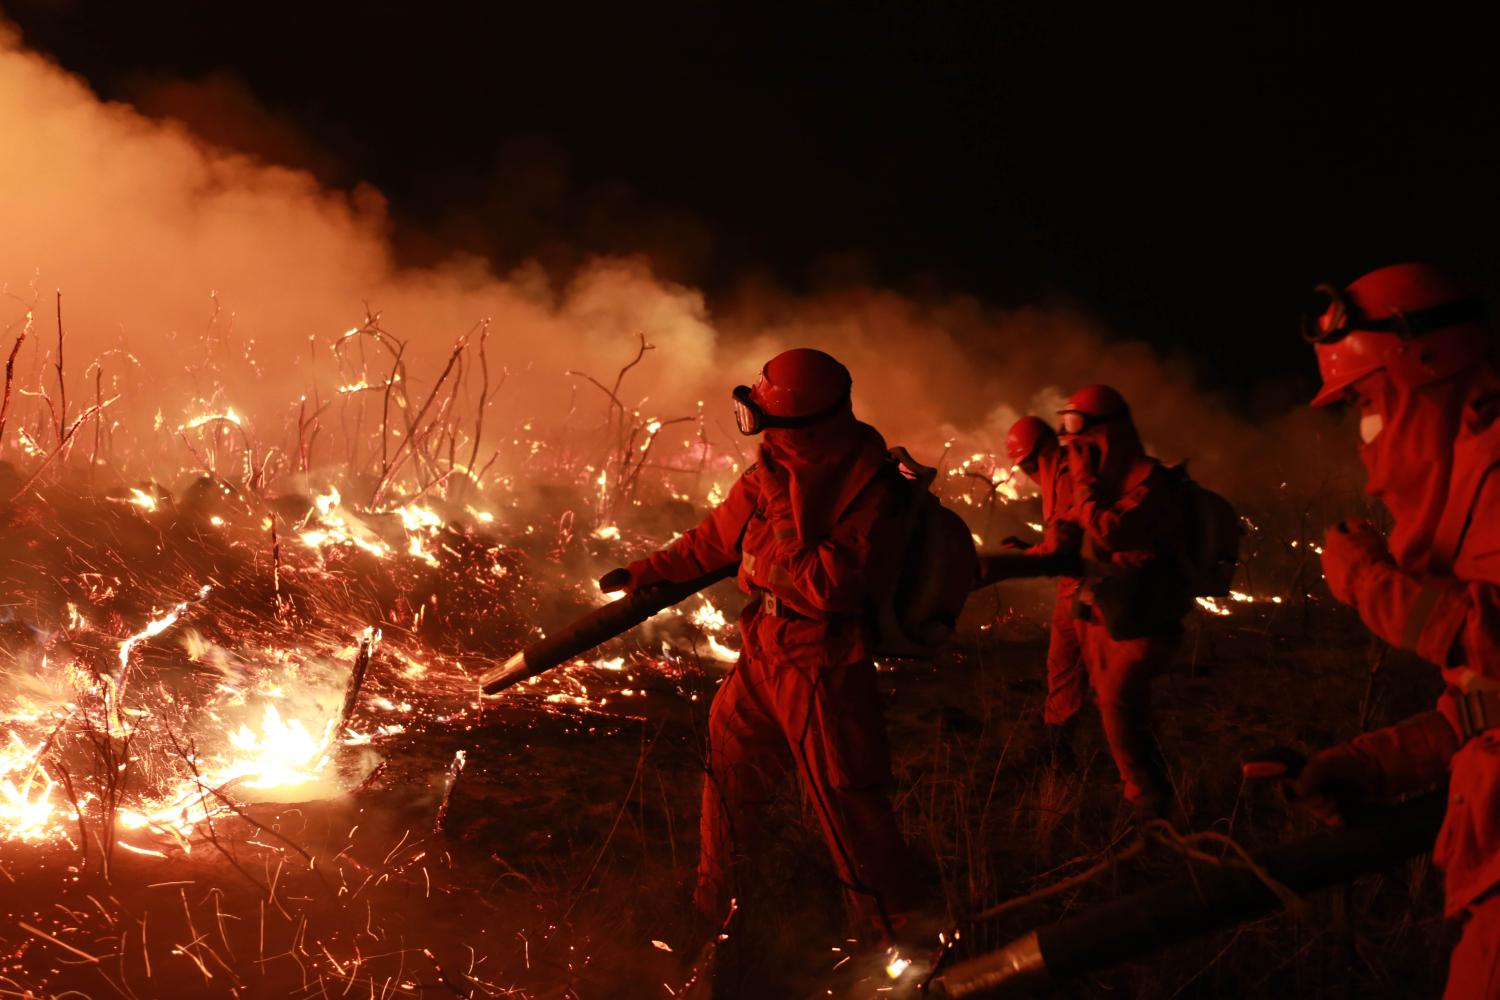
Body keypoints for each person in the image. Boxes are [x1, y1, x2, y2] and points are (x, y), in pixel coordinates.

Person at [601, 347, 928, 947]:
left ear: (804, 422)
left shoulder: (868, 488)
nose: (757, 431)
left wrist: (780, 505)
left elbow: (828, 587)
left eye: (763, 416)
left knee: (846, 804)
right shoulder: (773, 466)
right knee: (728, 775)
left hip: (820, 660)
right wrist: (647, 571)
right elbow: (712, 540)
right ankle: (717, 916)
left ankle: (898, 942)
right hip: (763, 650)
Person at [1295, 261, 1500, 999]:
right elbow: (1488, 707)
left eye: (1365, 401)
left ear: (1426, 369)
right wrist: (1373, 764)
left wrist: (1369, 584)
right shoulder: (1472, 488)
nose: (1365, 434)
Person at [1056, 384, 1190, 821]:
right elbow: (1074, 525)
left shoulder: (1152, 481)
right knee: (1117, 708)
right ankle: (1154, 796)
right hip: (1104, 613)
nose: (1078, 452)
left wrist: (1083, 482)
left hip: (1142, 616)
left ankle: (1149, 807)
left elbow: (1108, 531)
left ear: (1109, 434)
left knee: (1118, 705)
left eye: (1083, 441)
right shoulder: (1102, 484)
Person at [1004, 416, 1084, 765]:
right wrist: (1032, 548)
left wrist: (1028, 556)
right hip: (1077, 582)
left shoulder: (1067, 474)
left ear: (1041, 452)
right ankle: (1058, 744)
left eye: (1027, 465)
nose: (1028, 473)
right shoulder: (1057, 473)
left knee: (1084, 667)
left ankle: (1064, 747)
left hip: (1093, 584)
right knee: (1063, 662)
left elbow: (1063, 544)